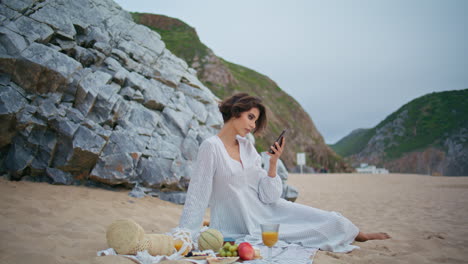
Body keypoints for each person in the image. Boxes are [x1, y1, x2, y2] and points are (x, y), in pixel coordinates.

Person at [177, 93, 390, 252]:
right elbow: (198, 193)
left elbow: (269, 196)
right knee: (309, 230)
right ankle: (354, 234)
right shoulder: (211, 147)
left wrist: (272, 163)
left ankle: (357, 233)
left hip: (269, 212)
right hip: (239, 225)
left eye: (255, 120)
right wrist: (187, 233)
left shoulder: (247, 147)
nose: (253, 125)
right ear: (235, 112)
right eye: (251, 117)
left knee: (327, 219)